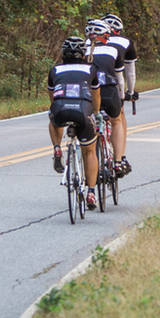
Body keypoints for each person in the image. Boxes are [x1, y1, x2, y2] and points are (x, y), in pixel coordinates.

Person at [47, 37, 101, 211]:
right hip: (83, 110)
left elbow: (52, 97)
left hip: (61, 108)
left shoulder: (54, 70)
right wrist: (97, 114)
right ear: (83, 53)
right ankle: (91, 192)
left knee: (53, 115)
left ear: (63, 53)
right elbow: (96, 96)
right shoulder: (90, 69)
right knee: (90, 151)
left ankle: (56, 147)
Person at [86, 18, 128, 187]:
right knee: (116, 121)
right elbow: (120, 80)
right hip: (109, 92)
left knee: (90, 125)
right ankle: (117, 161)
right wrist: (122, 96)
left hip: (89, 93)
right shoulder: (112, 50)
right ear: (106, 35)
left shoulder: (82, 50)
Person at [102, 12, 137, 176]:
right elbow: (129, 74)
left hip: (92, 84)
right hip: (113, 85)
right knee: (119, 117)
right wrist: (129, 93)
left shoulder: (90, 42)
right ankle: (120, 158)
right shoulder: (126, 42)